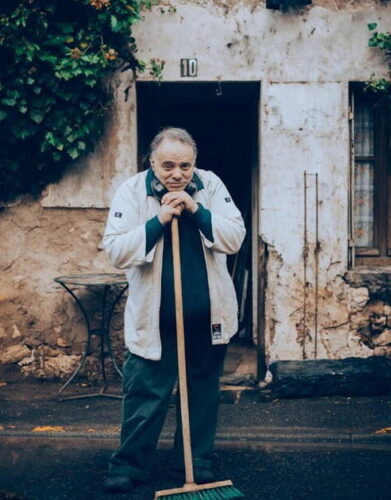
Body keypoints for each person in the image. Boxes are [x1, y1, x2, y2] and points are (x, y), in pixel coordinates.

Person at [100, 127, 245, 493]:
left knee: (201, 394)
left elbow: (234, 237)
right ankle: (129, 466)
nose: (177, 174)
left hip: (207, 318)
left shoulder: (210, 186)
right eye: (167, 166)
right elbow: (117, 251)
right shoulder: (132, 192)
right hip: (155, 320)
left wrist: (195, 209)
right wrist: (159, 219)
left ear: (194, 164)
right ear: (152, 163)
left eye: (184, 166)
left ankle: (196, 463)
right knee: (145, 397)